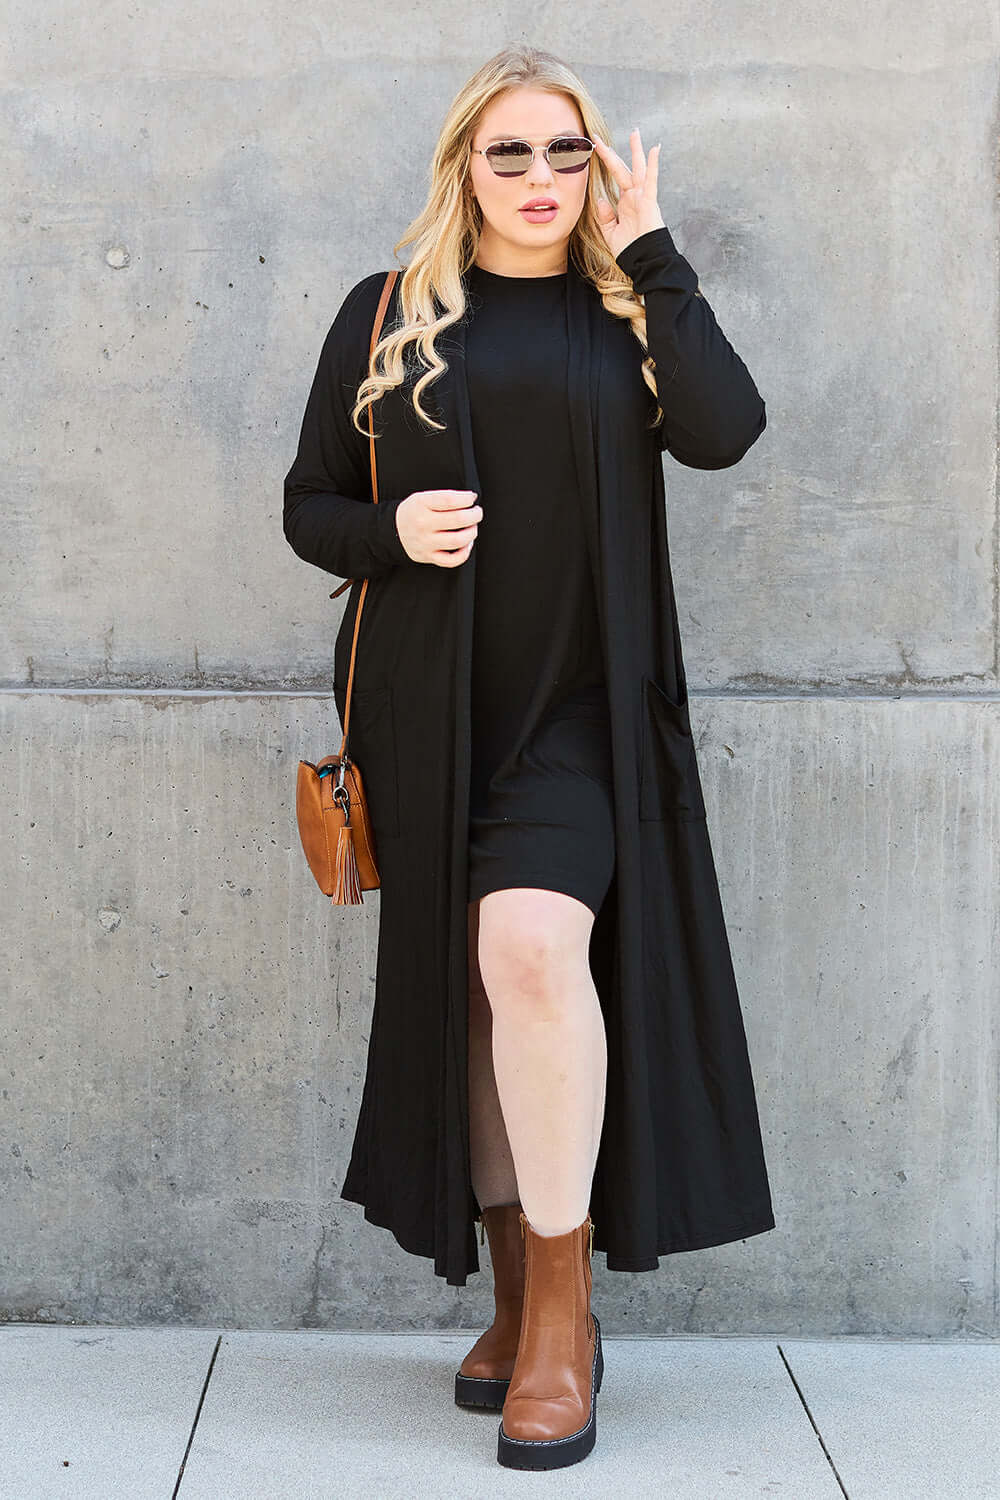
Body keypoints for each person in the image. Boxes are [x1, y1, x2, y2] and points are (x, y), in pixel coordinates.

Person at [283, 44, 774, 1472]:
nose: (544, 180)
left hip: (581, 718)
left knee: (537, 957)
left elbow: (728, 433)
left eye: (569, 153)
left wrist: (658, 253)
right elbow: (310, 505)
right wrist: (391, 535)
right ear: (463, 168)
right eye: (513, 154)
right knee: (484, 1006)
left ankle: (563, 1323)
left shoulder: (629, 312)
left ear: (598, 167)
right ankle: (510, 1302)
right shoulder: (387, 317)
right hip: (433, 722)